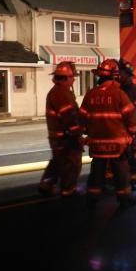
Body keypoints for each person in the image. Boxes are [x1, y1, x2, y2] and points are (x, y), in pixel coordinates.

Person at [79, 58, 136, 208]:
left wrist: (87, 133)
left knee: (97, 171)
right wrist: (131, 134)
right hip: (117, 144)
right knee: (121, 172)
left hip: (97, 143)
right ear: (115, 76)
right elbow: (131, 116)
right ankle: (125, 199)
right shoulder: (119, 94)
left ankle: (92, 197)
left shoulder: (90, 95)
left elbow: (82, 118)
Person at [38, 61, 84, 197]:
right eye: (72, 77)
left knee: (58, 162)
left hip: (58, 137)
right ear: (66, 78)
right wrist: (78, 134)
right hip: (66, 138)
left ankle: (46, 184)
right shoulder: (62, 93)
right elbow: (69, 116)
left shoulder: (56, 92)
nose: (74, 79)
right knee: (72, 163)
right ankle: (69, 191)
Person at [117, 58, 136, 189]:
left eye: (122, 73)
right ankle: (120, 183)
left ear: (128, 75)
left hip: (131, 132)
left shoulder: (135, 91)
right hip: (117, 132)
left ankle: (134, 181)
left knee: (132, 158)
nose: (119, 75)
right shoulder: (115, 89)